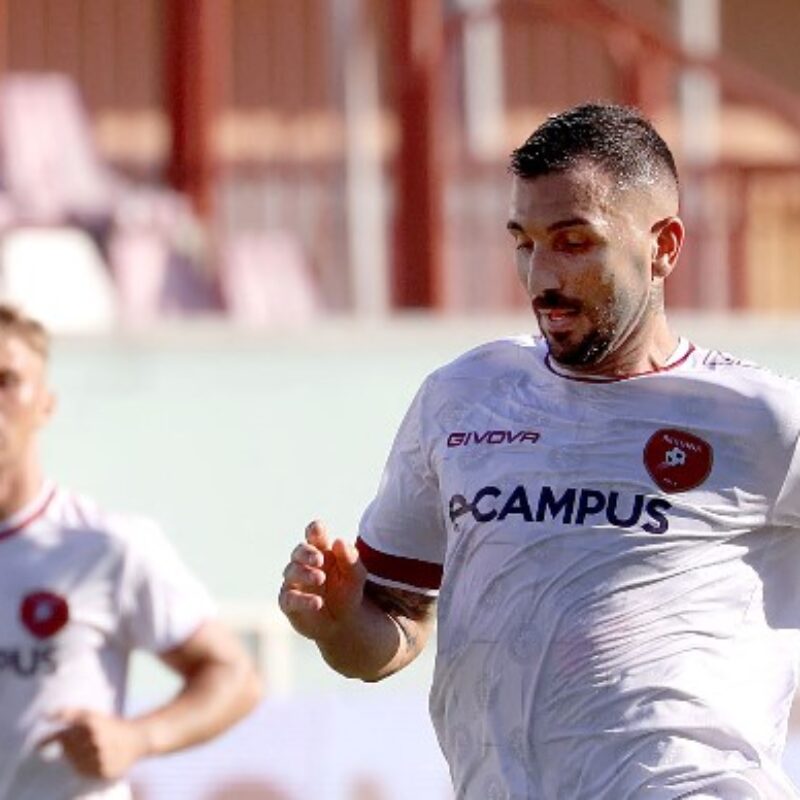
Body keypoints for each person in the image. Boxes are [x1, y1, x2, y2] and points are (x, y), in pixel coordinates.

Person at [279, 102, 800, 799]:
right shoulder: (463, 397)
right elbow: (393, 633)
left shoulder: (760, 419)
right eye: (523, 241)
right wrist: (340, 622)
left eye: (573, 242)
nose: (540, 277)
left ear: (664, 246)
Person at [0, 304, 262, 799]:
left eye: (7, 380)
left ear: (46, 405)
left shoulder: (103, 546)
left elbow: (235, 677)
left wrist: (136, 738)